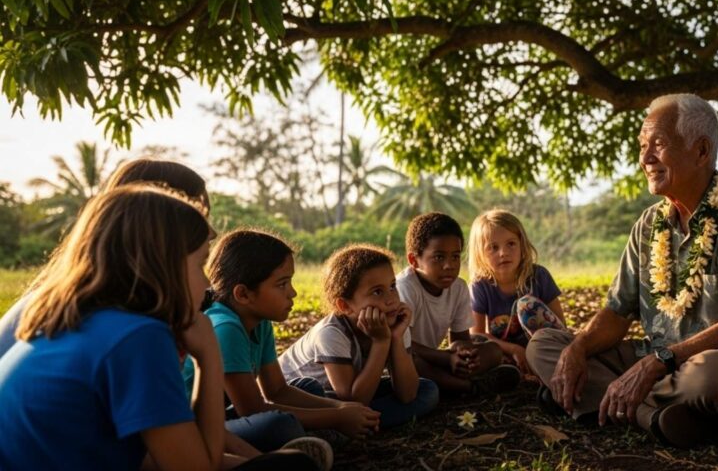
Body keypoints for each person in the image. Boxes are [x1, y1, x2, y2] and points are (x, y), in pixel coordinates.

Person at [526, 93, 718, 448]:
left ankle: (601, 400)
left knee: (710, 374)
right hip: (658, 360)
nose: (645, 158)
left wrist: (659, 362)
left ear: (701, 151)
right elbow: (617, 314)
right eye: (642, 145)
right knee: (545, 344)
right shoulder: (649, 225)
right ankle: (653, 416)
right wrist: (579, 348)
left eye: (659, 144)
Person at [0, 185, 228, 470]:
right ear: (159, 264)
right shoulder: (138, 337)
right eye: (201, 263)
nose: (207, 284)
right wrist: (208, 355)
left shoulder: (70, 320)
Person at [183, 229, 381, 446]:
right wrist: (336, 417)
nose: (292, 293)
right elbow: (252, 409)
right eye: (282, 284)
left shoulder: (259, 321)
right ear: (243, 294)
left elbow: (277, 390)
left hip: (226, 414)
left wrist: (338, 408)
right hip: (193, 426)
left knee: (308, 386)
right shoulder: (225, 328)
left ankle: (313, 436)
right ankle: (314, 437)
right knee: (277, 425)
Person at [0, 157, 211, 355]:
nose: (211, 233)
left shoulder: (71, 300)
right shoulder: (119, 324)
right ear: (152, 231)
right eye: (197, 219)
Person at [279, 244, 440, 429]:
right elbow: (354, 400)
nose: (391, 299)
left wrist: (395, 338)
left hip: (349, 397)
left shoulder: (394, 322)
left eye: (392, 286)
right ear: (345, 306)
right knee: (325, 397)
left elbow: (408, 394)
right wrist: (381, 342)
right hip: (302, 396)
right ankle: (339, 426)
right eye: (377, 292)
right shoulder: (331, 333)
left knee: (427, 390)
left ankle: (347, 427)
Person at [396, 212, 520, 396]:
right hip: (404, 358)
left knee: (492, 350)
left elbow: (460, 339)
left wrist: (463, 353)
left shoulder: (459, 287)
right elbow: (399, 345)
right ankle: (471, 388)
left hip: (438, 359)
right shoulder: (405, 288)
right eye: (439, 257)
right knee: (413, 362)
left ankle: (449, 382)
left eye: (455, 257)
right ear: (414, 260)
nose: (449, 265)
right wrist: (448, 358)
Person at [469, 209, 566, 376]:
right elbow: (476, 333)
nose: (503, 253)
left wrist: (532, 350)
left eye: (511, 244)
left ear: (522, 245)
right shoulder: (480, 285)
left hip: (544, 349)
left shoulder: (539, 276)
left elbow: (561, 328)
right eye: (493, 247)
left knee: (526, 306)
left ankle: (545, 369)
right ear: (480, 253)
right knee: (472, 343)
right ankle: (509, 373)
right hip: (507, 352)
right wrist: (513, 349)